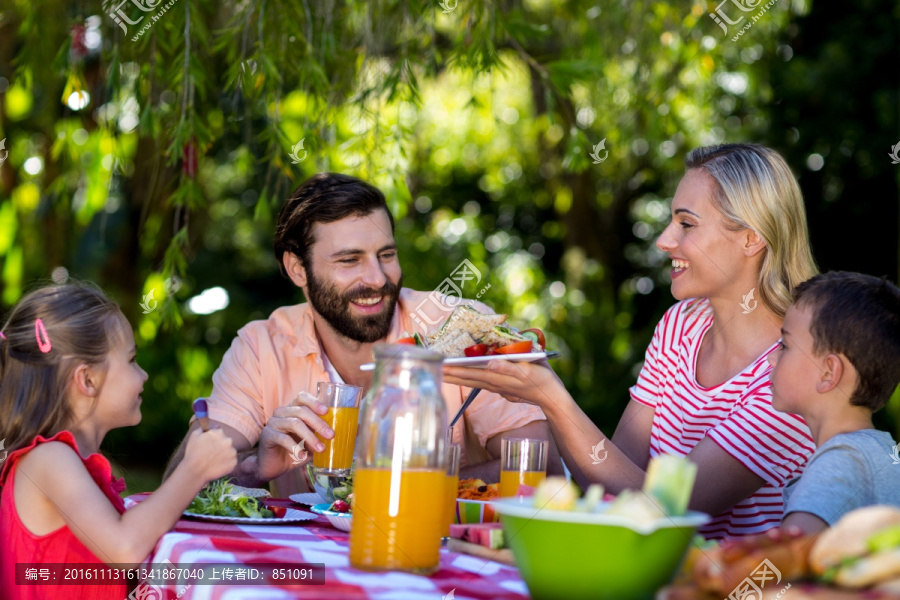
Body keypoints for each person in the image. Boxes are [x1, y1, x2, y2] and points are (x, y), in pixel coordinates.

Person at [445, 143, 819, 539]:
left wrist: (552, 398)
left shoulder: (793, 371)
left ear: (750, 239)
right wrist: (541, 387)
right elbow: (609, 478)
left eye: (686, 224)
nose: (664, 240)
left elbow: (666, 511)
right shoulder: (681, 326)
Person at [164, 173, 562, 496]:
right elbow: (180, 483)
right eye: (349, 260)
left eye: (386, 255)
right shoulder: (261, 346)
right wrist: (255, 467)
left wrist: (402, 486)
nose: (376, 278)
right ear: (297, 269)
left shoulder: (460, 327)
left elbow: (538, 466)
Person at [0, 283, 237, 600]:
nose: (144, 375)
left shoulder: (69, 460)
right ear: (87, 380)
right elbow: (125, 549)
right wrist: (194, 469)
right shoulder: (50, 461)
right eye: (131, 359)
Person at [769, 272, 900, 536]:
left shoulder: (840, 460)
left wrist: (740, 579)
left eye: (784, 345)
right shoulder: (882, 452)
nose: (772, 359)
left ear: (828, 373)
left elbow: (788, 558)